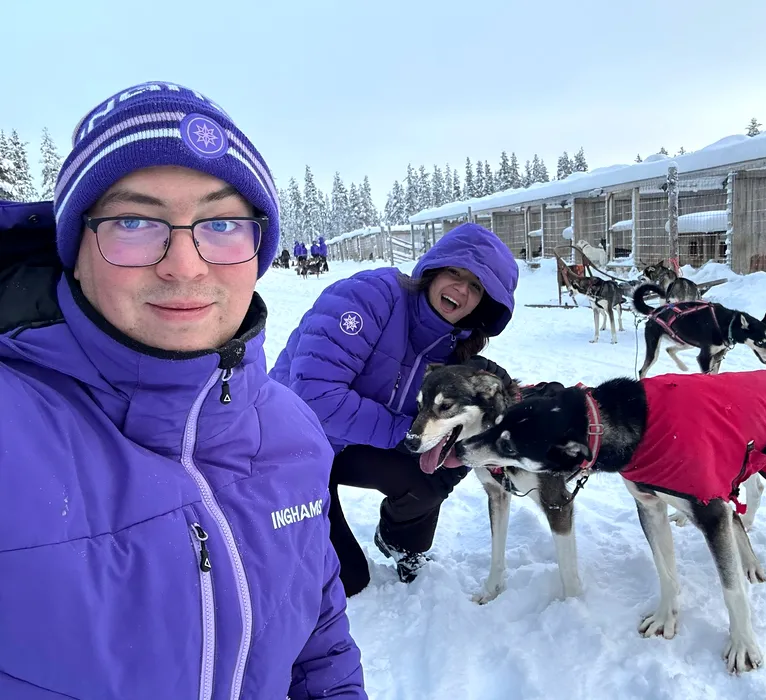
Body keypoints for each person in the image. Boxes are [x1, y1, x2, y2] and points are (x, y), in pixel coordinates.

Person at [0, 82, 365, 699]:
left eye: (221, 223)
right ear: (75, 251)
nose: (185, 265)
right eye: (135, 222)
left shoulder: (293, 432)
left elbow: (317, 641)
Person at [270, 223, 518, 596]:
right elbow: (314, 398)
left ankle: (401, 541)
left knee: (438, 465)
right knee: (348, 581)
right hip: (292, 448)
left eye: (477, 286)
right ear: (434, 269)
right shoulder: (369, 297)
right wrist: (408, 433)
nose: (461, 289)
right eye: (455, 272)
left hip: (350, 445)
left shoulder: (454, 346)